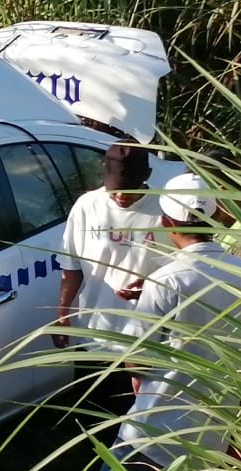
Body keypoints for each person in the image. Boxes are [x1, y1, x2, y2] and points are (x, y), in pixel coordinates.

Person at [83, 173, 241, 471]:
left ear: (167, 223)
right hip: (216, 429)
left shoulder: (167, 279)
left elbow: (139, 358)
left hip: (155, 428)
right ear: (213, 219)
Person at [53, 143, 165, 357]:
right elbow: (71, 267)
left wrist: (148, 285)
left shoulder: (164, 210)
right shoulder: (87, 206)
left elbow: (182, 270)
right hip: (94, 335)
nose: (121, 196)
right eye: (115, 189)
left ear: (147, 175)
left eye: (129, 189)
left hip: (147, 338)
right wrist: (63, 313)